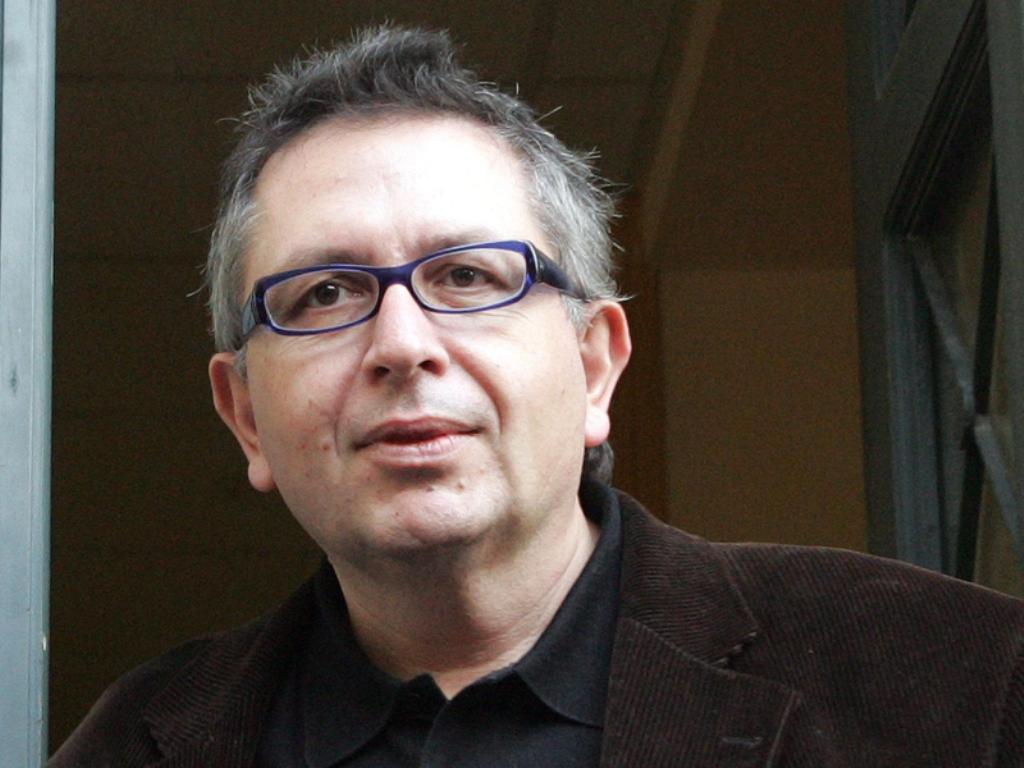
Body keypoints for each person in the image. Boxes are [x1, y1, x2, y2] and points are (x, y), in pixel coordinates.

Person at [52, 25, 1024, 767]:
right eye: (327, 294)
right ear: (246, 418)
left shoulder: (957, 680)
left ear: (594, 365)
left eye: (468, 277)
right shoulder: (130, 743)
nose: (402, 345)